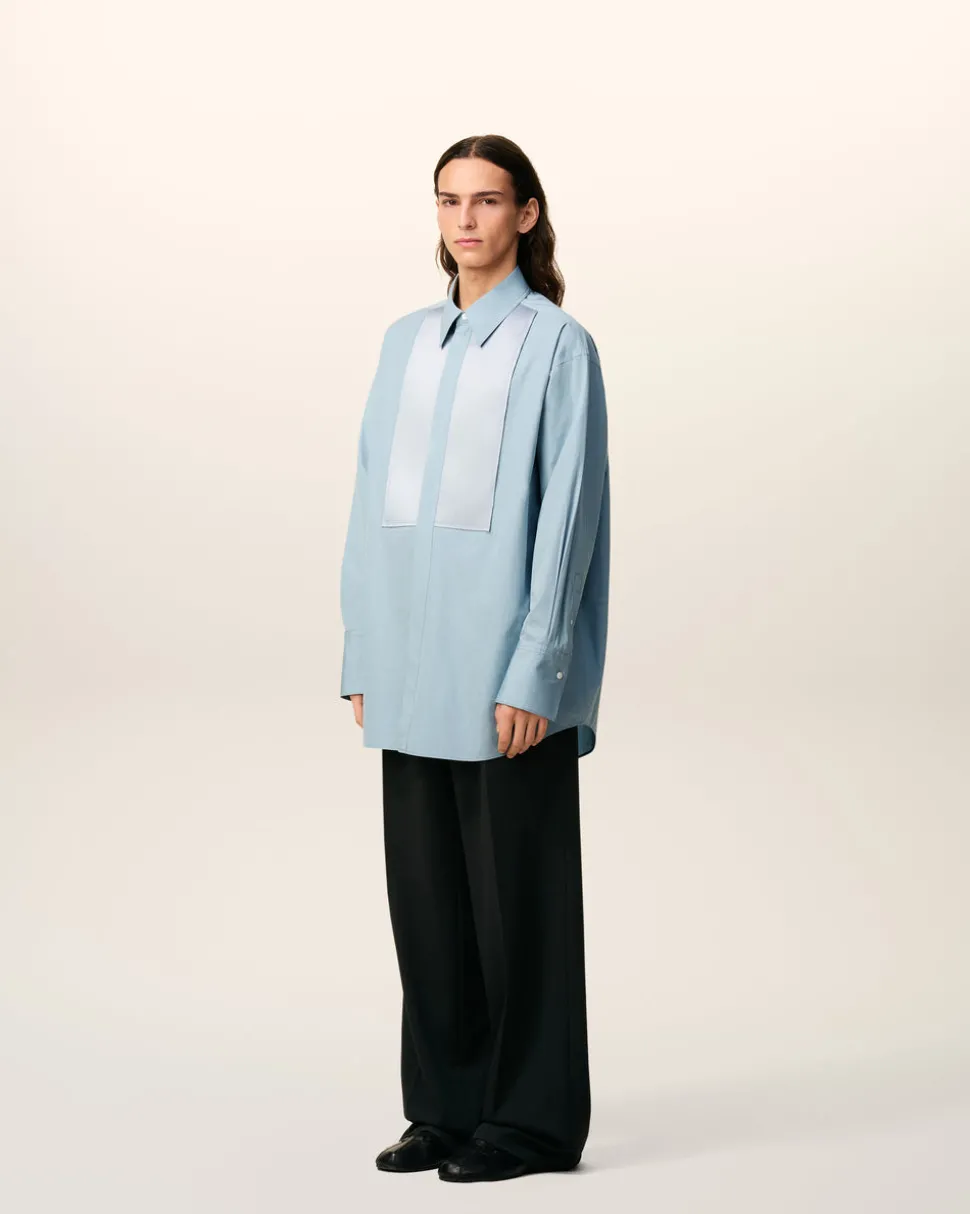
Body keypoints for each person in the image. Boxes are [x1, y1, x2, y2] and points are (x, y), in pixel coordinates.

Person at [338, 133, 611, 1183]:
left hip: (503, 678)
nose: (465, 219)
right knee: (428, 902)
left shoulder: (556, 345)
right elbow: (369, 499)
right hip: (410, 670)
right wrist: (363, 647)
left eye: (487, 200)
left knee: (519, 905)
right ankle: (445, 1111)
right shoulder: (405, 342)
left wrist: (539, 668)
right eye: (450, 200)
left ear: (525, 214)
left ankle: (530, 1123)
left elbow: (568, 517)